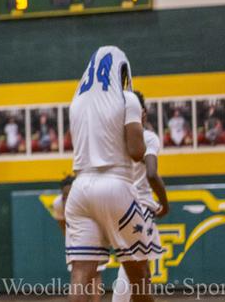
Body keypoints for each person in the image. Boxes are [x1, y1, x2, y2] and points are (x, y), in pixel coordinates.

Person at [65, 46, 161, 302]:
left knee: (81, 274)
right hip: (115, 186)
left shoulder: (77, 102)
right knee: (140, 275)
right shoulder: (127, 99)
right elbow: (136, 151)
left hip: (80, 189)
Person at [112, 91, 169, 302]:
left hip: (115, 204)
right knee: (134, 268)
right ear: (142, 113)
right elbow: (152, 174)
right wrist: (165, 204)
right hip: (139, 207)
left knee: (140, 269)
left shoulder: (113, 139)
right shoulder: (148, 138)